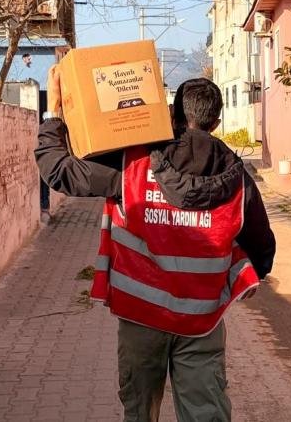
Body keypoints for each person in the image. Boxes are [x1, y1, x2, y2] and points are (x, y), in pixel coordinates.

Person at [35, 71, 276, 421]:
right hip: (202, 323)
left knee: (140, 413)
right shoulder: (238, 180)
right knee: (206, 414)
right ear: (216, 123)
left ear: (172, 116)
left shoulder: (132, 165)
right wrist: (251, 275)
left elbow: (60, 171)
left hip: (141, 318)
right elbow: (262, 247)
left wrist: (53, 115)